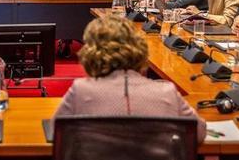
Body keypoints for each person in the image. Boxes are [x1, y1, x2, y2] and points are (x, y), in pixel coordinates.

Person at [53, 15, 206, 143]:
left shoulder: (80, 91)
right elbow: (199, 132)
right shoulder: (167, 92)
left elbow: (55, 132)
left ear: (91, 53)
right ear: (140, 49)